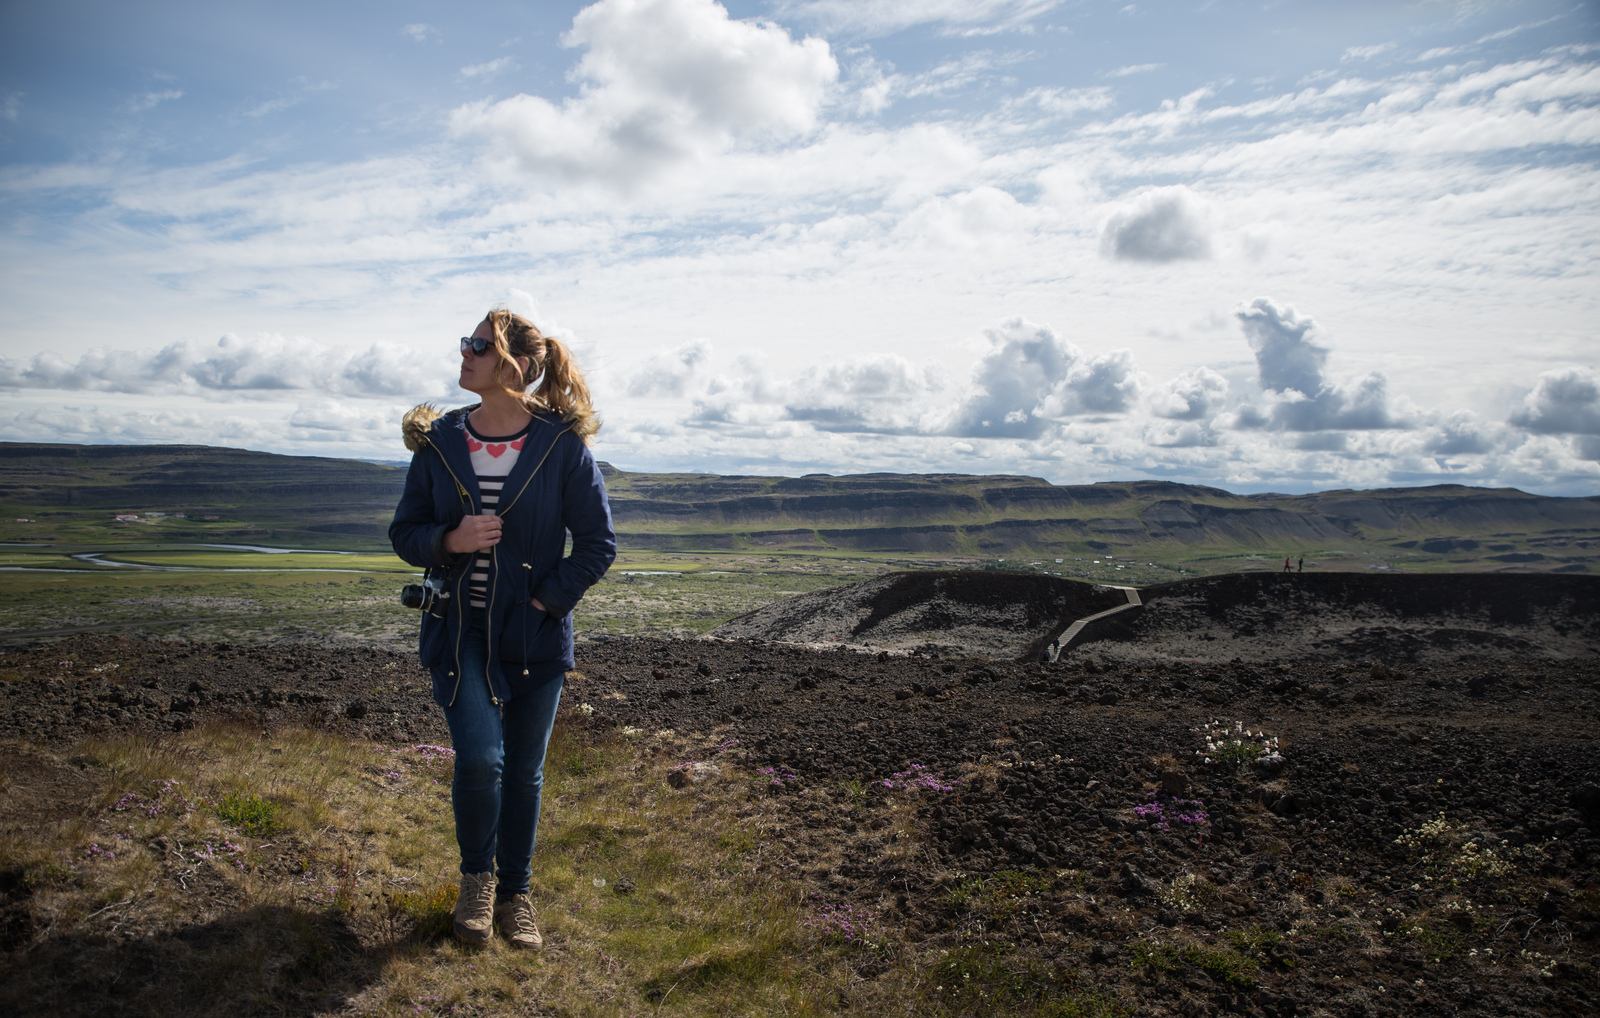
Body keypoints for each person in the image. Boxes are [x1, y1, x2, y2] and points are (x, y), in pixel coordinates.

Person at [389, 308, 615, 949]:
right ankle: (477, 883)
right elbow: (405, 533)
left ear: (516, 365)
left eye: (479, 345)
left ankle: (516, 894)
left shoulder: (560, 447)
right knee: (481, 760)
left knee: (522, 773)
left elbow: (597, 544)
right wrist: (449, 539)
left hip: (534, 638)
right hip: (459, 632)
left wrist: (544, 604)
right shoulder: (440, 442)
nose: (465, 353)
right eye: (467, 342)